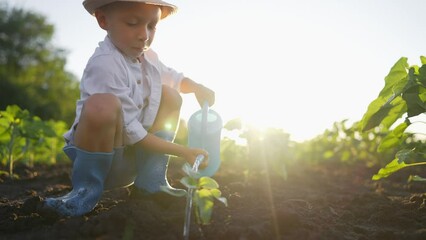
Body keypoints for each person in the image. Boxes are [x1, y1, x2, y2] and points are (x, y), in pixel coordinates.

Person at [42, 0, 215, 217]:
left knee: (170, 94)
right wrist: (184, 152)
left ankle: (150, 183)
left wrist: (197, 87)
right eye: (133, 23)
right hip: (105, 161)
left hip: (135, 160)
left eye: (152, 26)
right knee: (101, 105)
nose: (144, 35)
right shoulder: (105, 63)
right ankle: (83, 193)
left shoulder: (147, 57)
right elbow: (133, 132)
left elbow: (174, 78)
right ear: (104, 20)